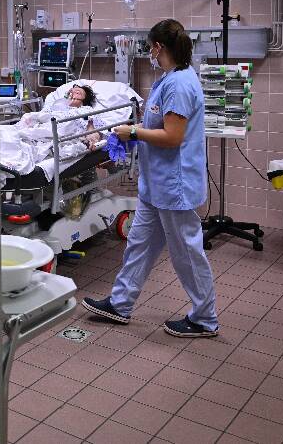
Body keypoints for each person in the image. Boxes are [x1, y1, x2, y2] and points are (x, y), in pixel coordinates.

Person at [82, 19, 218, 338]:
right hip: (155, 185)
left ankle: (204, 318)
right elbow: (153, 127)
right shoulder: (165, 81)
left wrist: (133, 131)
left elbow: (172, 137)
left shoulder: (181, 84)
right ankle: (120, 304)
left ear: (158, 47)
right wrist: (128, 137)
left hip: (175, 186)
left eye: (150, 47)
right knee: (139, 246)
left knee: (186, 254)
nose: (149, 53)